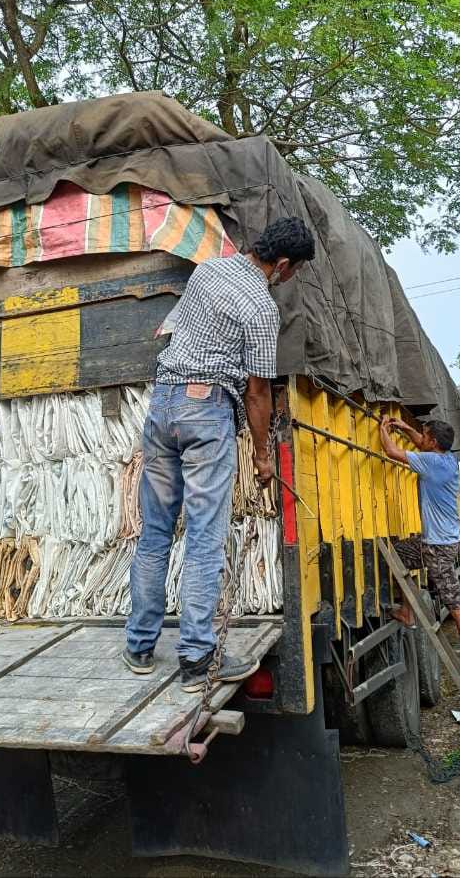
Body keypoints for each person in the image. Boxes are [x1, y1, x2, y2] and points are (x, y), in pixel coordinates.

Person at [123, 217, 316, 693]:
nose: (290, 279)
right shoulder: (261, 310)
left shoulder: (209, 271)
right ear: (284, 264)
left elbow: (178, 329)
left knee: (154, 533)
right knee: (206, 537)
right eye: (293, 272)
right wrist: (263, 455)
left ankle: (140, 647)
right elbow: (257, 393)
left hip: (163, 403)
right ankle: (195, 660)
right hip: (206, 410)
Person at [379, 416, 460, 684]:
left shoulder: (430, 462)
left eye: (425, 435)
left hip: (438, 547)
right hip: (438, 542)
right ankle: (407, 611)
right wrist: (406, 428)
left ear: (433, 442)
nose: (421, 437)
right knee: (400, 555)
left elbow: (391, 451)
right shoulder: (448, 459)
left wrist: (383, 429)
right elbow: (420, 442)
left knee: (457, 606)